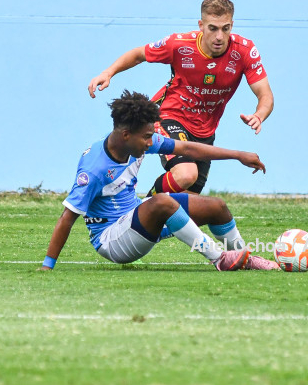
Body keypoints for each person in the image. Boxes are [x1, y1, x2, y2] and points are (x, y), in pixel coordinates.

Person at [40, 90, 279, 271]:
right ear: (126, 135)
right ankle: (219, 259)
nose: (150, 142)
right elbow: (66, 218)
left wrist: (238, 155)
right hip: (112, 240)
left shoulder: (137, 141)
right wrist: (47, 266)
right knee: (161, 202)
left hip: (137, 219)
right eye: (146, 137)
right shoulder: (94, 169)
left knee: (216, 207)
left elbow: (187, 147)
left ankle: (243, 258)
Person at [88, 0, 274, 198]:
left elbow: (265, 94)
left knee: (188, 200)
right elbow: (139, 54)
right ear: (201, 25)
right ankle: (143, 209)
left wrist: (260, 114)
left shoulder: (245, 51)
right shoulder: (179, 44)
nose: (219, 36)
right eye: (213, 28)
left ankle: (151, 219)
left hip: (205, 130)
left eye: (225, 28)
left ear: (232, 25)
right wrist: (108, 72)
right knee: (186, 174)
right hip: (170, 116)